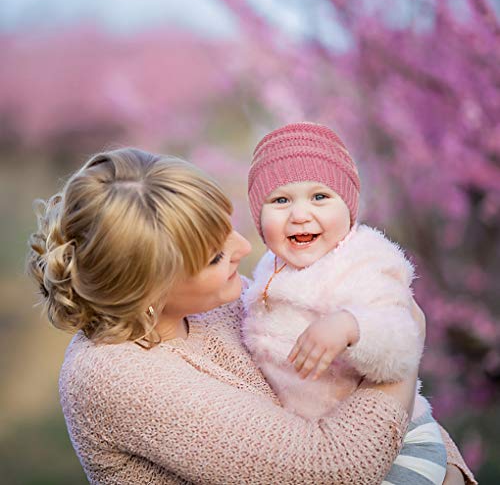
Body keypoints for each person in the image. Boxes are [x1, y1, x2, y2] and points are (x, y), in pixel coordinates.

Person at [26, 147, 474, 484]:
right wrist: (405, 345)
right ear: (150, 291)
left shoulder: (218, 302)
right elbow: (330, 469)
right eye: (216, 256)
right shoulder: (115, 376)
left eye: (231, 226)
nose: (244, 248)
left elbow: (354, 389)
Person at [243, 122, 475, 485]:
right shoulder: (267, 272)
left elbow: (401, 342)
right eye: (280, 200)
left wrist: (351, 326)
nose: (300, 214)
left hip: (402, 445)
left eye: (320, 196)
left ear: (349, 208)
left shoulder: (363, 261)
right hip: (327, 442)